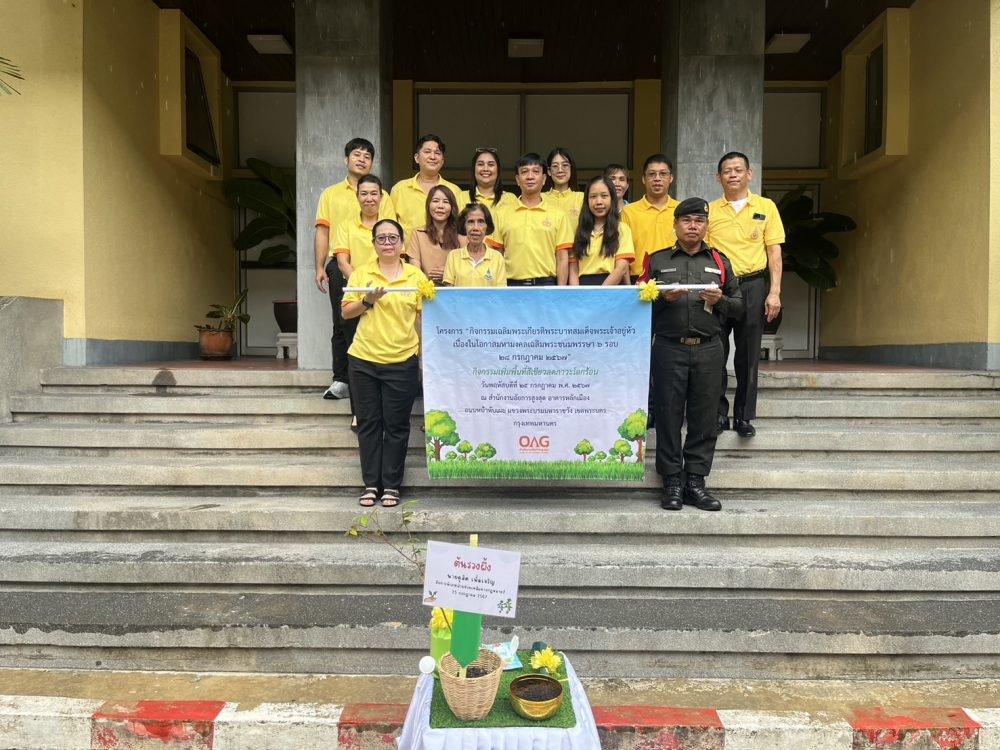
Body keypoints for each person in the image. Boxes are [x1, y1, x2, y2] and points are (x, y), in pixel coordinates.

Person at [649, 198, 744, 511]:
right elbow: (639, 306)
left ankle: (695, 483)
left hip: (708, 349)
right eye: (687, 220)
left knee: (704, 418)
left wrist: (720, 301)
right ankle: (672, 483)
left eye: (699, 221)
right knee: (668, 415)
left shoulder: (720, 261)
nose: (693, 226)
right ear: (675, 225)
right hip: (668, 347)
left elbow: (739, 307)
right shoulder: (657, 260)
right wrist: (662, 300)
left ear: (706, 226)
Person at [342, 219, 429, 508]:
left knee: (397, 426)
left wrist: (423, 358)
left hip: (402, 360)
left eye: (393, 238)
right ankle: (370, 485)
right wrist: (368, 300)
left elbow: (422, 319)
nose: (388, 243)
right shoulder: (361, 274)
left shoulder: (416, 276)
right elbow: (346, 313)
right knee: (368, 424)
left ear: (402, 243)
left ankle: (391, 486)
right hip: (363, 360)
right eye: (381, 238)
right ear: (374, 244)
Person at [706, 152, 785, 438]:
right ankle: (717, 413)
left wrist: (774, 292)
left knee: (749, 353)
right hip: (720, 287)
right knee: (716, 351)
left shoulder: (766, 207)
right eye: (727, 171)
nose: (733, 174)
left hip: (753, 285)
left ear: (749, 174)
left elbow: (774, 252)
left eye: (738, 169)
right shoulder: (710, 211)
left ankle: (743, 416)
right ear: (718, 178)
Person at [315, 138, 396, 400]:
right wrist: (319, 266)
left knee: (379, 320)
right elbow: (323, 231)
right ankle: (341, 379)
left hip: (377, 268)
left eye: (367, 156)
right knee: (342, 321)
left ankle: (373, 377)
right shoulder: (331, 194)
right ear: (346, 159)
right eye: (356, 155)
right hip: (342, 264)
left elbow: (389, 232)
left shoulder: (384, 195)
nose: (361, 159)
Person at [330, 174, 387, 430]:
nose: (369, 198)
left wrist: (378, 291)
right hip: (356, 295)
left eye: (374, 193)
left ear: (381, 196)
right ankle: (358, 413)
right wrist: (363, 290)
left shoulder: (389, 226)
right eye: (364, 193)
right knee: (356, 357)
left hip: (384, 297)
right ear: (357, 196)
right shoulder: (346, 226)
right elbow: (342, 262)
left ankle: (383, 411)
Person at [487, 153, 573, 285]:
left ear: (544, 178)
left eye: (536, 171)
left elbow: (562, 258)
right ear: (517, 179)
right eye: (524, 172)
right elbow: (496, 255)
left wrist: (560, 291)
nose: (530, 176)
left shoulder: (559, 215)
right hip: (510, 285)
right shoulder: (501, 213)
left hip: (546, 285)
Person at [621, 154, 680, 283]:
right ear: (643, 179)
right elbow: (622, 253)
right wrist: (628, 286)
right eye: (652, 174)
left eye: (663, 174)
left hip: (675, 278)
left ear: (671, 178)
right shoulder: (629, 212)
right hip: (638, 279)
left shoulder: (681, 210)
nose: (657, 178)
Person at [390, 134, 464, 235]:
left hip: (445, 245)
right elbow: (390, 227)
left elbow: (460, 228)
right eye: (427, 152)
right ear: (417, 158)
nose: (432, 157)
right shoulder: (399, 189)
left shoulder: (455, 191)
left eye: (437, 153)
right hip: (408, 246)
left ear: (442, 160)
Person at [568, 176, 633, 286]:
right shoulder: (578, 230)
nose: (598, 202)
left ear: (612, 199)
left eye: (604, 196)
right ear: (587, 201)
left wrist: (600, 293)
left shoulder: (622, 229)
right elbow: (574, 269)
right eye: (593, 196)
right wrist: (577, 293)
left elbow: (621, 269)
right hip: (583, 290)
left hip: (611, 288)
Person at [405, 185, 465, 285]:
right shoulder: (418, 234)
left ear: (452, 207)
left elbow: (468, 269)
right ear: (428, 205)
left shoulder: (462, 235)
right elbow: (415, 272)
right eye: (435, 201)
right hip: (425, 290)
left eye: (446, 202)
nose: (440, 206)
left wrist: (448, 273)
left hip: (455, 290)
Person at [444, 204, 507, 287]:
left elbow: (501, 292)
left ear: (487, 227)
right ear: (464, 226)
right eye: (471, 222)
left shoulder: (497, 258)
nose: (475, 228)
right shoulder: (453, 256)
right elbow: (449, 292)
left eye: (481, 222)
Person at [467, 147, 516, 214]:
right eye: (480, 164)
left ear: (498, 169)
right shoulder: (461, 197)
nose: (485, 169)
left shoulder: (510, 199)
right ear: (474, 169)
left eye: (490, 164)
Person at [545, 147, 584, 228]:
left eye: (565, 165)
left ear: (571, 169)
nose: (560, 170)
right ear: (549, 171)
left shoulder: (582, 198)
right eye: (555, 166)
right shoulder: (540, 198)